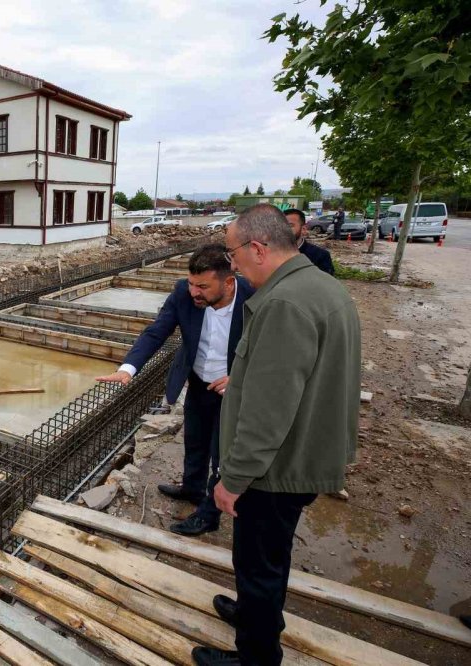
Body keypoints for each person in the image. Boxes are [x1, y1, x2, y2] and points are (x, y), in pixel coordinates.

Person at [192, 204, 361, 666]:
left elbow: (269, 411)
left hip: (275, 469)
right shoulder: (318, 287)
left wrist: (233, 479)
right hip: (301, 454)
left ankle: (256, 655)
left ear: (258, 248)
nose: (233, 266)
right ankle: (252, 614)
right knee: (269, 555)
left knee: (258, 563)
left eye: (232, 254)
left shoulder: (284, 304)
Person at [96, 244, 254, 537]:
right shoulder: (183, 292)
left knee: (222, 451)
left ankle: (209, 513)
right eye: (192, 283)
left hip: (234, 389)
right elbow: (157, 330)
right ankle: (192, 488)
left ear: (228, 282)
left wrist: (240, 377)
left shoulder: (255, 296)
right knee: (195, 440)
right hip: (198, 380)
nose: (194, 292)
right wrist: (127, 368)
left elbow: (272, 347)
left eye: (203, 286)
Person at [284, 208, 334, 275]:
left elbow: (325, 284)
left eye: (290, 226)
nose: (283, 229)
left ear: (303, 229)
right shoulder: (271, 253)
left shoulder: (320, 256)